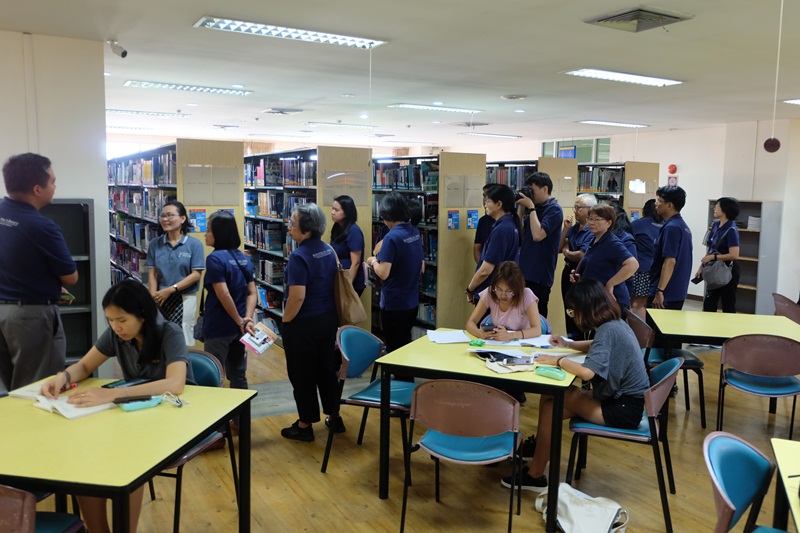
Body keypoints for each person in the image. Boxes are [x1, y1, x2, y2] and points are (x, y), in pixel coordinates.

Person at [39, 280, 193, 533]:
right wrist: (63, 377)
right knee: (87, 460)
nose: (115, 327)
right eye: (110, 320)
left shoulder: (169, 332)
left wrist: (112, 395)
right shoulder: (117, 335)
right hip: (134, 416)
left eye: (121, 320)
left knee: (129, 462)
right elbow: (85, 366)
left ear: (142, 314)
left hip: (173, 418)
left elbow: (175, 384)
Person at [500, 278, 649, 492]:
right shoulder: (615, 324)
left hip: (624, 409)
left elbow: (587, 373)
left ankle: (536, 473)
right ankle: (538, 456)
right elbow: (595, 345)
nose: (573, 316)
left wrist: (558, 360)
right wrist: (568, 345)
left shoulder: (608, 331)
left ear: (586, 309)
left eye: (573, 311)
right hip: (626, 402)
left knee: (553, 403)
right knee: (551, 398)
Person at [0, 153, 78, 395]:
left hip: (3, 312)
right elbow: (71, 277)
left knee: (6, 384)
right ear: (37, 189)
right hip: (30, 316)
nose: (55, 186)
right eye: (52, 181)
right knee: (36, 385)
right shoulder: (42, 226)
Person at [281, 203, 340, 442]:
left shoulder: (299, 256)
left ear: (306, 230)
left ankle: (304, 424)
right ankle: (334, 416)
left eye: (293, 224)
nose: (289, 227)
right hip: (327, 319)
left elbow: (297, 296)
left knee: (302, 374)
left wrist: (286, 320)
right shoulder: (328, 249)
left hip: (303, 323)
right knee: (326, 370)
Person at [202, 211, 266, 399]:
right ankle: (242, 415)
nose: (205, 234)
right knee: (238, 373)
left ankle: (218, 416)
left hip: (219, 326)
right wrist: (246, 319)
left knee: (215, 373)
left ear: (219, 233)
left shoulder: (214, 259)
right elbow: (252, 292)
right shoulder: (243, 257)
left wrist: (239, 320)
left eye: (208, 230)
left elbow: (223, 294)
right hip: (240, 329)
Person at [366, 193, 424, 354]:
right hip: (411, 300)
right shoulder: (413, 231)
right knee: (404, 344)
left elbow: (383, 273)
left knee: (394, 350)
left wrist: (373, 261)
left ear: (387, 215)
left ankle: (398, 371)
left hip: (395, 302)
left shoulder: (392, 237)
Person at [146, 200, 205, 345]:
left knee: (182, 338)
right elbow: (153, 273)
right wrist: (152, 297)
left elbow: (196, 275)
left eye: (170, 215)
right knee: (159, 337)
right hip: (160, 297)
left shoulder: (194, 244)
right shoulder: (155, 244)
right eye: (163, 216)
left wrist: (170, 290)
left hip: (184, 298)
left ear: (183, 218)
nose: (165, 219)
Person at [515, 172, 564, 318]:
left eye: (532, 191)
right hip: (525, 270)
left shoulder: (554, 210)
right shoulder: (535, 209)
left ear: (545, 189)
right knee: (521, 316)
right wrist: (521, 207)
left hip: (540, 275)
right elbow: (519, 232)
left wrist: (531, 207)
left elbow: (538, 235)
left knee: (537, 317)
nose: (531, 195)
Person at [574, 204, 638, 308]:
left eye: (597, 219)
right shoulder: (594, 240)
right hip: (593, 297)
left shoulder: (611, 242)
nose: (592, 222)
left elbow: (633, 264)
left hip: (609, 301)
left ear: (609, 223)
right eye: (590, 218)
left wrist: (610, 284)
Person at [466, 184, 520, 304]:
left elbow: (486, 270)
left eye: (488, 201)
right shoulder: (508, 225)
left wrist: (470, 288)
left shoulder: (502, 230)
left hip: (493, 293)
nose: (485, 204)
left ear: (499, 204)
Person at [465, 261, 543, 341]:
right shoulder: (490, 292)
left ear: (517, 288)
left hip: (522, 343)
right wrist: (480, 333)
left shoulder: (526, 294)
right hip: (498, 343)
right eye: (499, 290)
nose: (503, 296)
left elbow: (537, 329)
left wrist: (511, 335)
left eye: (509, 291)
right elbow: (470, 323)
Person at [649, 186, 693, 310]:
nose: (656, 204)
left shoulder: (671, 228)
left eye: (659, 201)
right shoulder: (682, 226)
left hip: (666, 293)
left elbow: (670, 261)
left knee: (657, 323)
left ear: (669, 205)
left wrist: (660, 291)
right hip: (677, 290)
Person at [559, 193, 597, 337]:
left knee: (581, 310)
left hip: (581, 273)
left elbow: (581, 255)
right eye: (575, 207)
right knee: (568, 308)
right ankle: (571, 337)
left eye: (578, 207)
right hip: (568, 270)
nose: (575, 211)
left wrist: (567, 251)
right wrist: (565, 229)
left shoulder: (592, 230)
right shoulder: (574, 228)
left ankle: (580, 339)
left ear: (590, 209)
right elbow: (559, 248)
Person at [697, 197, 740, 313]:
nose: (714, 209)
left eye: (717, 206)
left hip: (727, 270)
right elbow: (710, 248)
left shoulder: (731, 229)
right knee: (709, 304)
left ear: (725, 210)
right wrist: (701, 267)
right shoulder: (715, 225)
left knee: (728, 304)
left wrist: (713, 257)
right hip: (713, 268)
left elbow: (734, 255)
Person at [630, 199, 664, 320]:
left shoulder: (637, 224)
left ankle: (639, 331)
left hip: (641, 270)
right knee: (651, 304)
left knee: (637, 304)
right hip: (659, 271)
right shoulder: (666, 225)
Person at [330, 195, 366, 296]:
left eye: (336, 210)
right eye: (332, 209)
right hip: (340, 277)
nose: (332, 212)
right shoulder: (337, 227)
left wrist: (347, 286)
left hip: (351, 281)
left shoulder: (354, 231)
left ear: (346, 213)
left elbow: (356, 263)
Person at [473, 184, 495, 264]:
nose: (485, 200)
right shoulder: (483, 221)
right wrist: (481, 266)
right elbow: (477, 247)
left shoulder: (506, 223)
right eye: (484, 196)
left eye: (488, 196)